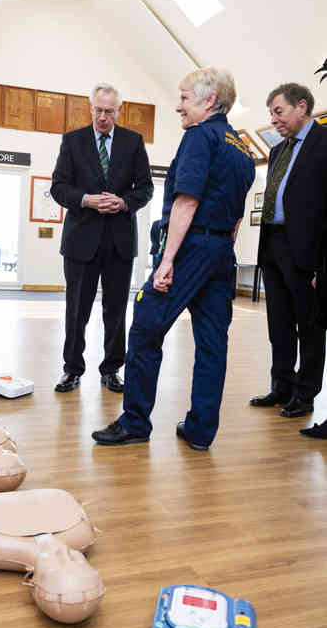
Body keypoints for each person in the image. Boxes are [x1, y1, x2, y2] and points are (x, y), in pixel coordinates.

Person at [92, 67, 255, 448]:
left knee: (146, 328)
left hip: (190, 248)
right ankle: (201, 430)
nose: (177, 106)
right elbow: (237, 217)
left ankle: (135, 422)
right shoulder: (242, 147)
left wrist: (167, 262)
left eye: (184, 98)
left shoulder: (200, 137)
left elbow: (186, 202)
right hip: (220, 254)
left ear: (209, 100)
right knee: (213, 342)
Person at [50, 83, 153, 393]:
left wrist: (123, 202)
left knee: (116, 309)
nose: (103, 117)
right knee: (76, 309)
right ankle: (72, 368)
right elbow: (58, 187)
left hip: (119, 240)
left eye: (109, 111)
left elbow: (145, 187)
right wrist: (87, 200)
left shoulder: (133, 142)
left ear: (119, 111)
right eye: (99, 110)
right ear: (90, 108)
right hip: (81, 239)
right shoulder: (72, 141)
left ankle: (111, 369)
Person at [249, 83, 327, 419]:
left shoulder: (324, 144)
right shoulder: (279, 150)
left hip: (307, 251)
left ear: (302, 107)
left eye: (278, 111)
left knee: (308, 326)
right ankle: (281, 385)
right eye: (271, 113)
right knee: (278, 322)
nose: (274, 119)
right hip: (273, 246)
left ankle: (305, 393)